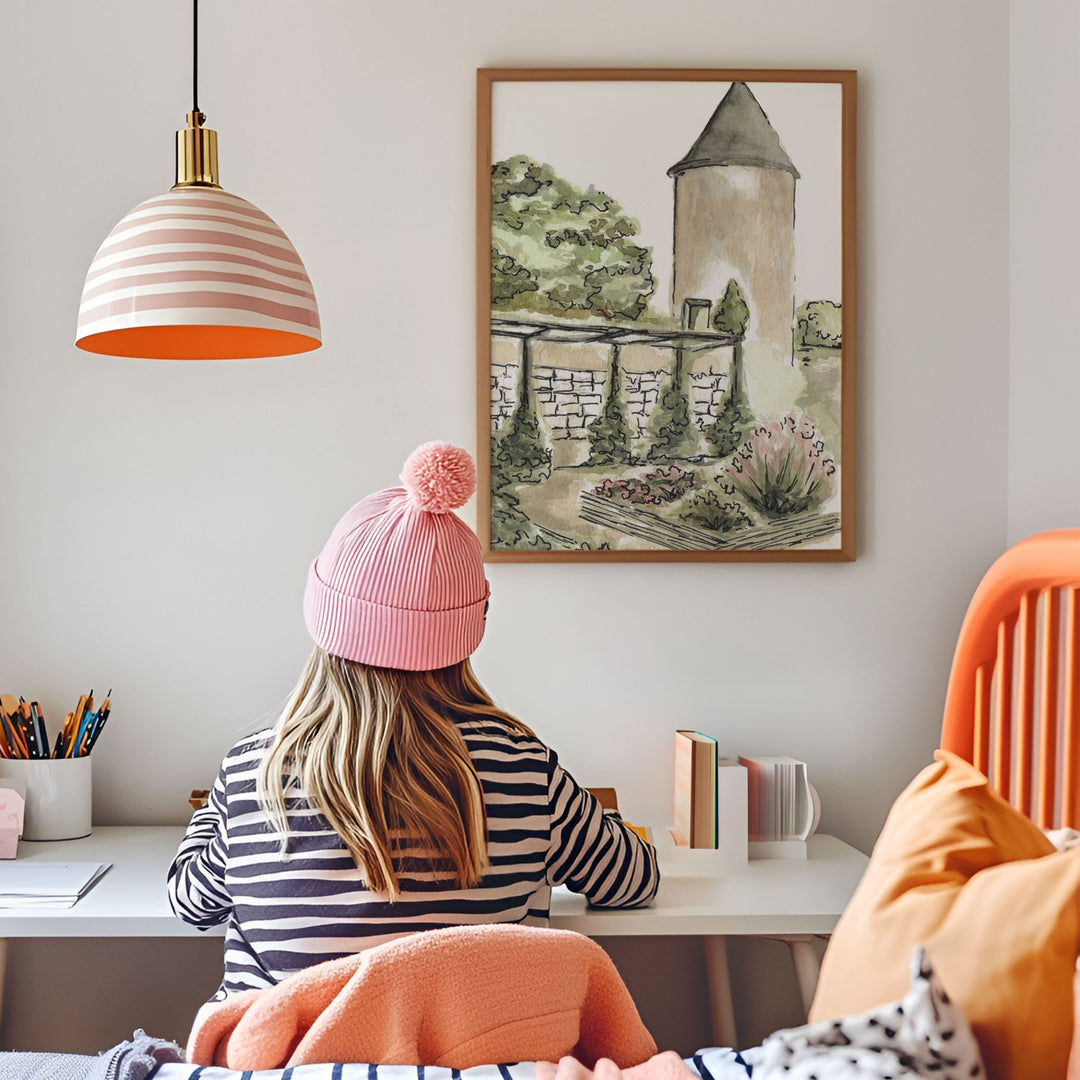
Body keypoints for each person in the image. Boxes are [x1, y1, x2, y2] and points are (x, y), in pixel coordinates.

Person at [168, 441, 659, 998]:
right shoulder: (522, 765)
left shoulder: (257, 768)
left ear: (324, 618)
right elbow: (633, 879)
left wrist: (215, 813)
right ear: (469, 626)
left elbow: (191, 903)